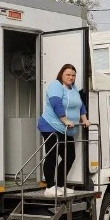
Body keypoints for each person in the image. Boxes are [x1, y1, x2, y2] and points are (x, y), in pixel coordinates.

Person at [37, 64, 90, 197]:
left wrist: (85, 119)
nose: (71, 77)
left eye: (73, 75)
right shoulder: (56, 86)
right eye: (68, 75)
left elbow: (80, 105)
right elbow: (56, 104)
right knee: (52, 156)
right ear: (61, 74)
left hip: (65, 129)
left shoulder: (73, 88)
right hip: (51, 126)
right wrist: (65, 120)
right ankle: (49, 187)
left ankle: (60, 185)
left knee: (70, 156)